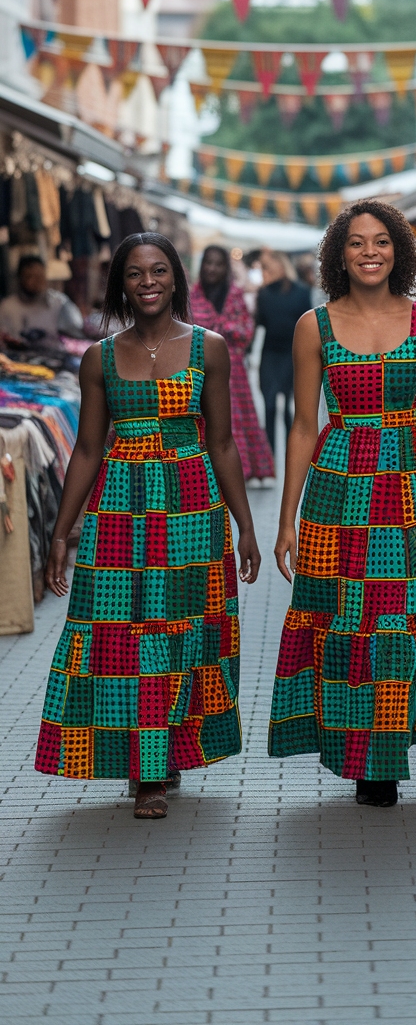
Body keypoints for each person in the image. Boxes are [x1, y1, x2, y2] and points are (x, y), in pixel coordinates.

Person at [269, 200, 416, 807]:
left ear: (401, 250)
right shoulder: (314, 325)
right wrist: (285, 516)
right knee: (350, 617)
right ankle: (367, 755)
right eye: (357, 243)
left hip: (415, 489)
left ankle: (384, 754)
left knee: (401, 613)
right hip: (338, 490)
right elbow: (299, 426)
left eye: (382, 242)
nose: (370, 253)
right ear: (339, 255)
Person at [35, 232, 261, 820]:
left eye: (159, 270)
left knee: (183, 632)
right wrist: (60, 533)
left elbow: (222, 442)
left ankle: (163, 753)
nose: (148, 282)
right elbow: (86, 449)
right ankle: (147, 772)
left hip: (191, 510)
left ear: (177, 278)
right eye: (135, 274)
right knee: (125, 636)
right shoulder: (99, 357)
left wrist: (247, 527)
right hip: (121, 513)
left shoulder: (210, 348)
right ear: (121, 286)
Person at [190, 245, 274, 483]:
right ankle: (208, 469)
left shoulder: (234, 294)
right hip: (199, 370)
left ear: (225, 267)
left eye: (218, 263)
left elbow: (246, 331)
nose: (212, 268)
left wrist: (220, 329)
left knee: (237, 417)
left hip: (233, 370)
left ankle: (244, 469)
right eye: (209, 263)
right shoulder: (191, 297)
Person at [256, 250, 312, 455]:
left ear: (281, 266)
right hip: (270, 353)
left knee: (290, 408)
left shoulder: (301, 292)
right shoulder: (263, 293)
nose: (265, 272)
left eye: (268, 267)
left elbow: (307, 327)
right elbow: (260, 324)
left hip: (292, 354)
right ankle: (271, 455)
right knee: (270, 405)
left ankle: (292, 452)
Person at [0, 254, 83, 351]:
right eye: (31, 276)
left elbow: (76, 331)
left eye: (40, 276)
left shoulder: (58, 303)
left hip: (54, 356)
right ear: (20, 278)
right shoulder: (7, 307)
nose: (37, 281)